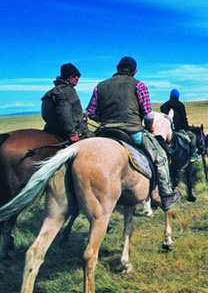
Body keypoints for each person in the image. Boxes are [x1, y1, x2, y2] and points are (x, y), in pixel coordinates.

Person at [86, 56, 181, 210]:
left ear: (117, 67)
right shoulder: (139, 85)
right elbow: (148, 115)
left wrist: (104, 119)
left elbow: (90, 112)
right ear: (135, 71)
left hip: (105, 132)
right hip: (132, 132)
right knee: (161, 157)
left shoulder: (100, 86)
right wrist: (149, 127)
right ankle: (166, 195)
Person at [41, 63, 92, 143]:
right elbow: (64, 113)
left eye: (78, 76)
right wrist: (71, 133)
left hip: (51, 129)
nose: (77, 78)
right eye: (74, 76)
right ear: (67, 76)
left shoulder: (51, 92)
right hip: (72, 132)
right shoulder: (66, 91)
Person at [161, 89, 197, 160]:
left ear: (170, 96)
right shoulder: (180, 105)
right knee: (193, 137)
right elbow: (184, 118)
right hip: (179, 129)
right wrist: (186, 128)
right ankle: (193, 155)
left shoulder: (164, 106)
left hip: (167, 130)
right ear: (178, 96)